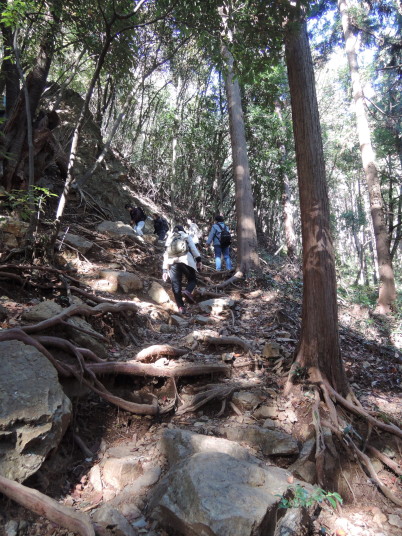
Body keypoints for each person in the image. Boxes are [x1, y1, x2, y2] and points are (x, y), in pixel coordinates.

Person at [162, 225, 202, 313]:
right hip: (186, 261)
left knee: (176, 286)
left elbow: (165, 254)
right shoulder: (186, 236)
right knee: (192, 280)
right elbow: (193, 248)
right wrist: (199, 260)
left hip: (172, 263)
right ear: (183, 230)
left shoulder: (170, 238)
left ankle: (181, 307)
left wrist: (164, 270)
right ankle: (188, 291)